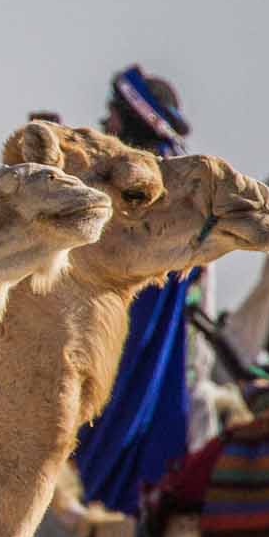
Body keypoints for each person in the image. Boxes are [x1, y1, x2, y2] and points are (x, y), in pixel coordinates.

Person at [76, 65, 200, 508]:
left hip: (137, 311)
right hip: (137, 308)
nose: (105, 121)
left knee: (115, 404)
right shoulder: (153, 173)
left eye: (112, 113)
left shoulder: (154, 181)